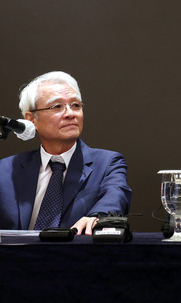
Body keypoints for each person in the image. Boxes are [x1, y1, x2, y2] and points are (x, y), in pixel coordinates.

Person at [0, 71, 132, 235]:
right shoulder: (6, 169)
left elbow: (115, 197)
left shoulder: (108, 163)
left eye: (76, 105)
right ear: (31, 119)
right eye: (57, 106)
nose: (71, 113)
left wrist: (98, 217)